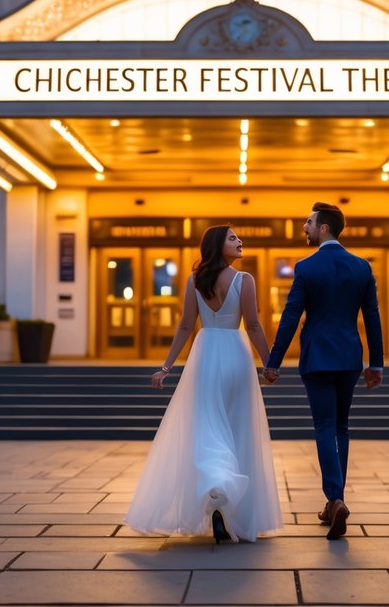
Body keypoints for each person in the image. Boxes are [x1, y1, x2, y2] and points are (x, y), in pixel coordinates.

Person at [125, 225, 282, 543]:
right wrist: (270, 363)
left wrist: (166, 367)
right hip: (236, 356)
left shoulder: (194, 280)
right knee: (238, 429)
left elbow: (185, 325)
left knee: (208, 427)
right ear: (217, 245)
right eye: (232, 238)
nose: (240, 242)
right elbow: (252, 324)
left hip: (205, 355)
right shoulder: (244, 280)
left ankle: (216, 492)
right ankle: (228, 501)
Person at [263, 201, 383, 540]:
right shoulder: (361, 267)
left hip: (317, 358)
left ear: (324, 228)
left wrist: (273, 362)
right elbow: (371, 317)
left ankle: (335, 498)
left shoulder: (306, 268)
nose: (305, 227)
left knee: (323, 425)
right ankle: (335, 501)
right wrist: (377, 363)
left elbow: (290, 318)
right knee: (341, 427)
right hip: (348, 358)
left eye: (309, 222)